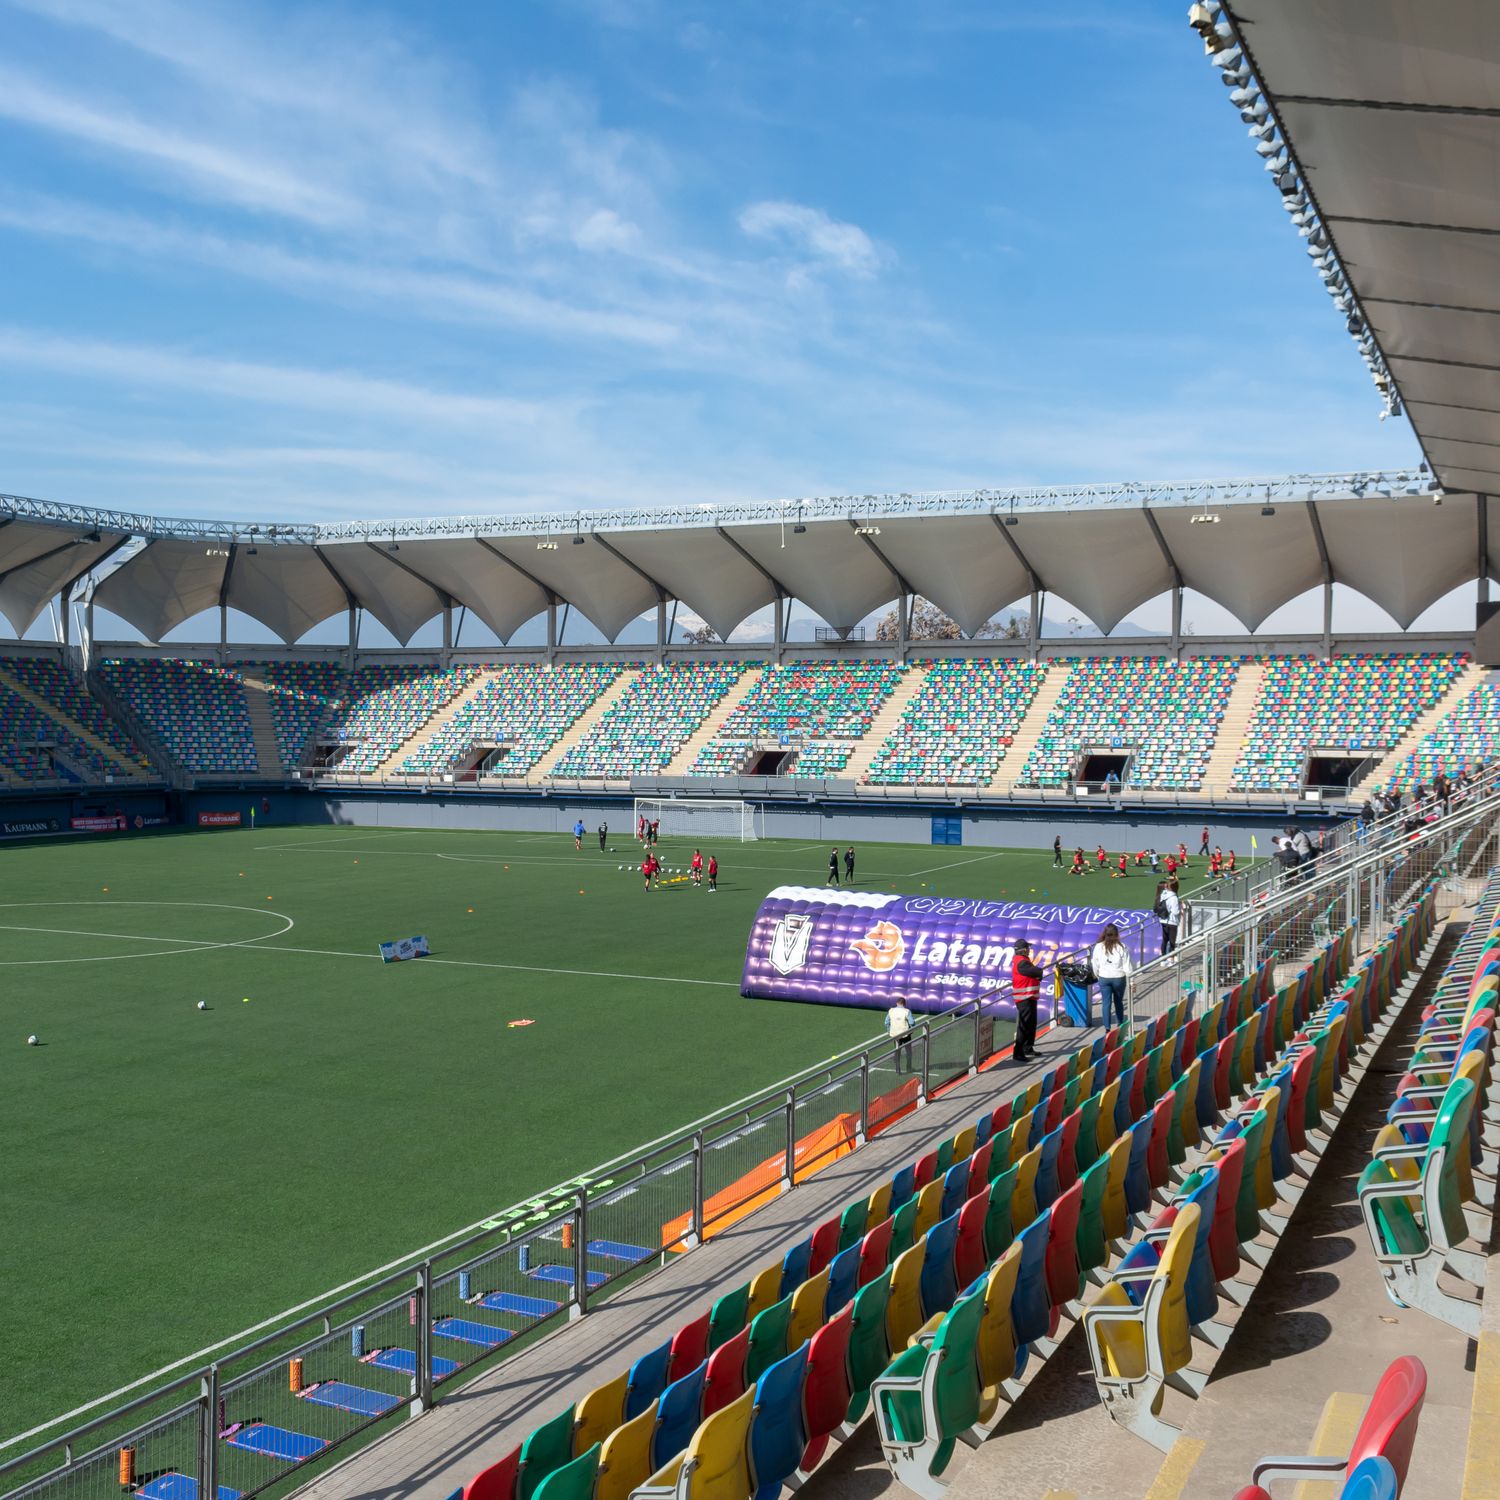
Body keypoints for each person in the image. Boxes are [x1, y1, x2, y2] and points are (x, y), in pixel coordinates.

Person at [1091, 922, 1134, 1029]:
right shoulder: (1122, 947)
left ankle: (1107, 1028)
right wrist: (1132, 981)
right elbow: (1127, 966)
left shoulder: (1098, 947)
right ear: (1116, 934)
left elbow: (1095, 963)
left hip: (1104, 978)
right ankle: (1120, 1025)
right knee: (1118, 1002)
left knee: (1106, 1003)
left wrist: (1097, 975)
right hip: (1119, 978)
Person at [1011, 939, 1044, 1062]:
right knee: (1024, 1026)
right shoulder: (1022, 962)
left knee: (1031, 1023)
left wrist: (1037, 975)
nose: (1029, 950)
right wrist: (1039, 973)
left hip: (1029, 996)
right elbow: (1036, 971)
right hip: (1024, 998)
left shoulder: (1023, 960)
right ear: (1024, 950)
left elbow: (1034, 972)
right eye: (1028, 948)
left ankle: (1028, 1047)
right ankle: (1018, 1053)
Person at [886, 998, 914, 1074]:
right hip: (905, 1034)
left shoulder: (891, 1010)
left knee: (897, 1051)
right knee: (908, 1051)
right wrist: (911, 1029)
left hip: (895, 1034)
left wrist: (889, 1031)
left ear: (897, 1003)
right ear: (904, 1004)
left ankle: (897, 1070)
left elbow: (886, 1022)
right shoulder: (907, 1011)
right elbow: (912, 1022)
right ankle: (909, 1068)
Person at [1154, 880, 1181, 954]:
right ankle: (1171, 957)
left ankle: (1163, 957)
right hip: (1172, 922)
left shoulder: (1163, 895)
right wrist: (1180, 909)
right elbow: (1175, 912)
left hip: (1163, 920)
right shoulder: (1174, 898)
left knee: (1164, 940)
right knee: (1172, 942)